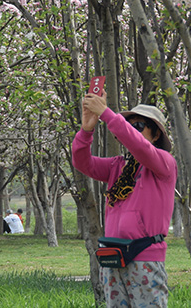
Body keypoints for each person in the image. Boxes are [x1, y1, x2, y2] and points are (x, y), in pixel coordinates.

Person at [72, 94, 177, 307]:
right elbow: (82, 162)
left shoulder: (164, 162)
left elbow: (141, 148)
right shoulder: (117, 166)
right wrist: (86, 131)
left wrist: (107, 115)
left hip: (145, 257)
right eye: (128, 125)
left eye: (138, 125)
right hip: (113, 256)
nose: (130, 130)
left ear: (156, 134)